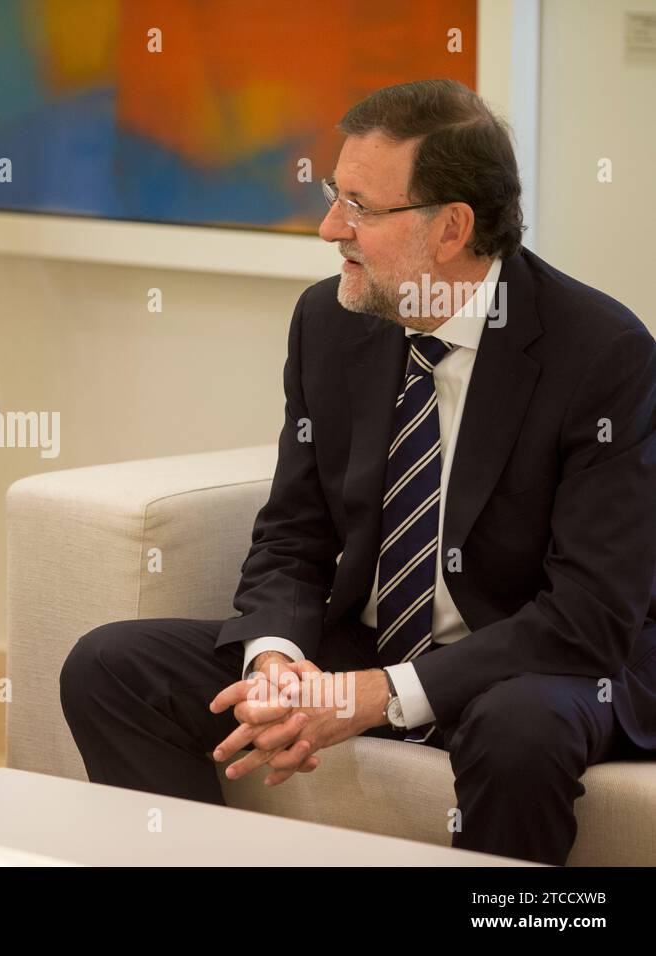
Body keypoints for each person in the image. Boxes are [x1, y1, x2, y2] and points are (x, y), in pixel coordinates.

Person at [60, 79, 655, 866]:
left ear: (451, 229)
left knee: (521, 730)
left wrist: (376, 695)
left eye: (360, 208)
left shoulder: (601, 355)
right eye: (335, 196)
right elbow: (294, 532)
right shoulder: (331, 321)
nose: (329, 227)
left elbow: (587, 617)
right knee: (113, 666)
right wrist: (274, 658)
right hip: (372, 637)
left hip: (531, 659)